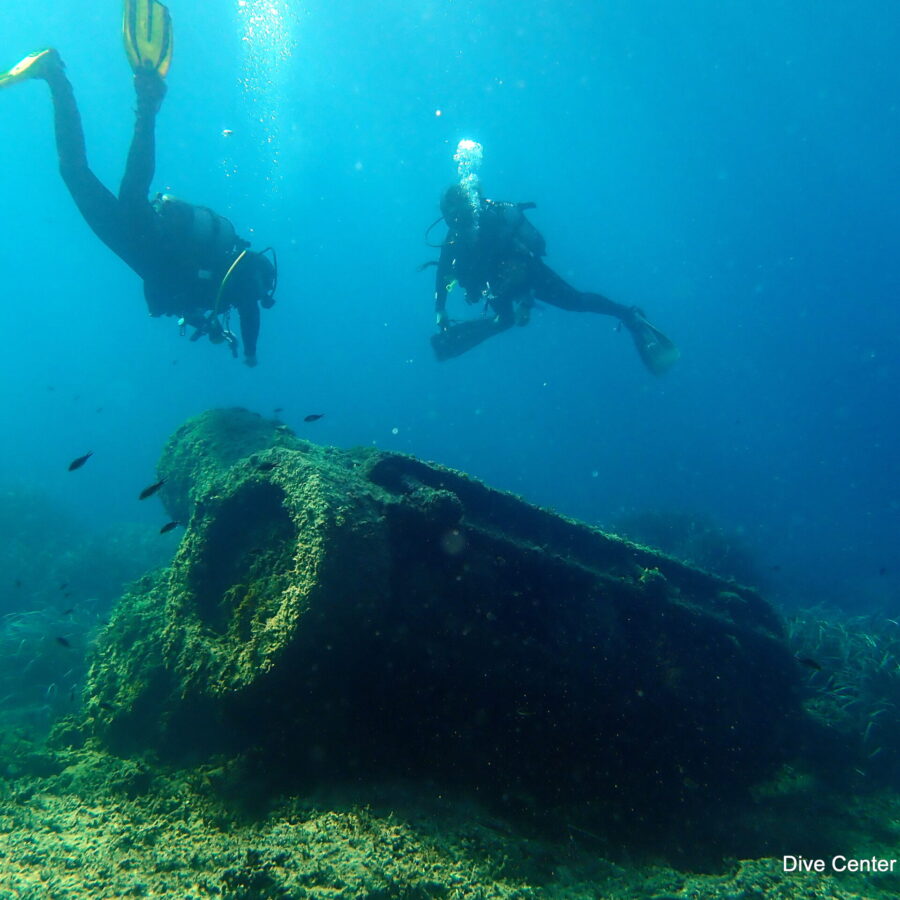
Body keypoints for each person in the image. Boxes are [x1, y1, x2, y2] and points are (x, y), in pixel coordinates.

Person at [0, 1, 276, 366]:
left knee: (74, 173)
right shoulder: (241, 283)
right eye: (261, 290)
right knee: (115, 187)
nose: (257, 296)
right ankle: (144, 102)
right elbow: (250, 314)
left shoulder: (219, 286)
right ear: (260, 279)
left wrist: (208, 325)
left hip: (140, 253)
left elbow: (188, 297)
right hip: (149, 248)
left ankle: (55, 76)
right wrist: (252, 353)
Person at [429, 183, 678, 375]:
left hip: (529, 274)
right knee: (504, 321)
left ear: (467, 207)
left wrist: (526, 303)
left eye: (457, 215)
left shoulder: (492, 224)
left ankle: (629, 315)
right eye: (449, 217)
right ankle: (458, 338)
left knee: (575, 301)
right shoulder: (454, 238)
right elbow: (443, 272)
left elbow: (522, 267)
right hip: (496, 283)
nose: (454, 221)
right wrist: (440, 309)